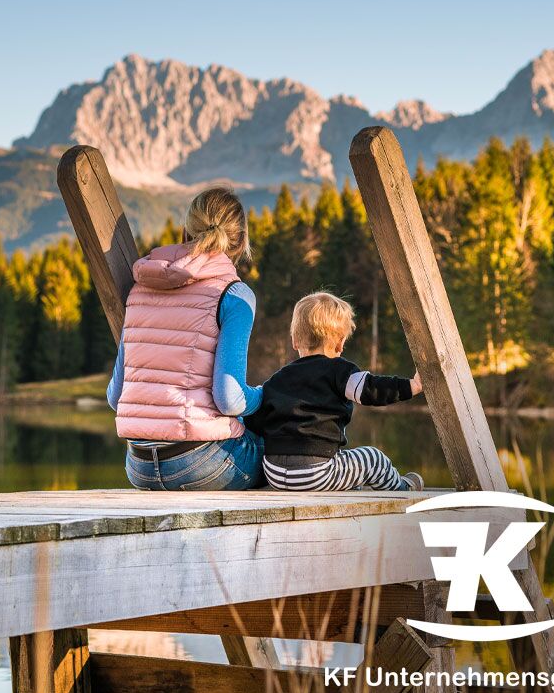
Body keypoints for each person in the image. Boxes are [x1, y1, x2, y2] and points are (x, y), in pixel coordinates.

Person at [107, 187, 264, 490]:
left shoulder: (140, 289)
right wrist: (263, 395)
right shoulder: (234, 294)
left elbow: (116, 396)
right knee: (277, 452)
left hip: (138, 466)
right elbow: (229, 398)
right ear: (241, 240)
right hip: (200, 464)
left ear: (184, 231)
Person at [245, 292, 424, 492]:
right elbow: (371, 389)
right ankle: (401, 487)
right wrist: (411, 386)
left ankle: (342, 483)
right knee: (373, 459)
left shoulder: (277, 379)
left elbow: (256, 421)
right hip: (316, 474)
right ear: (340, 343)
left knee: (343, 465)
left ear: (295, 341)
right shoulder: (339, 371)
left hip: (275, 475)